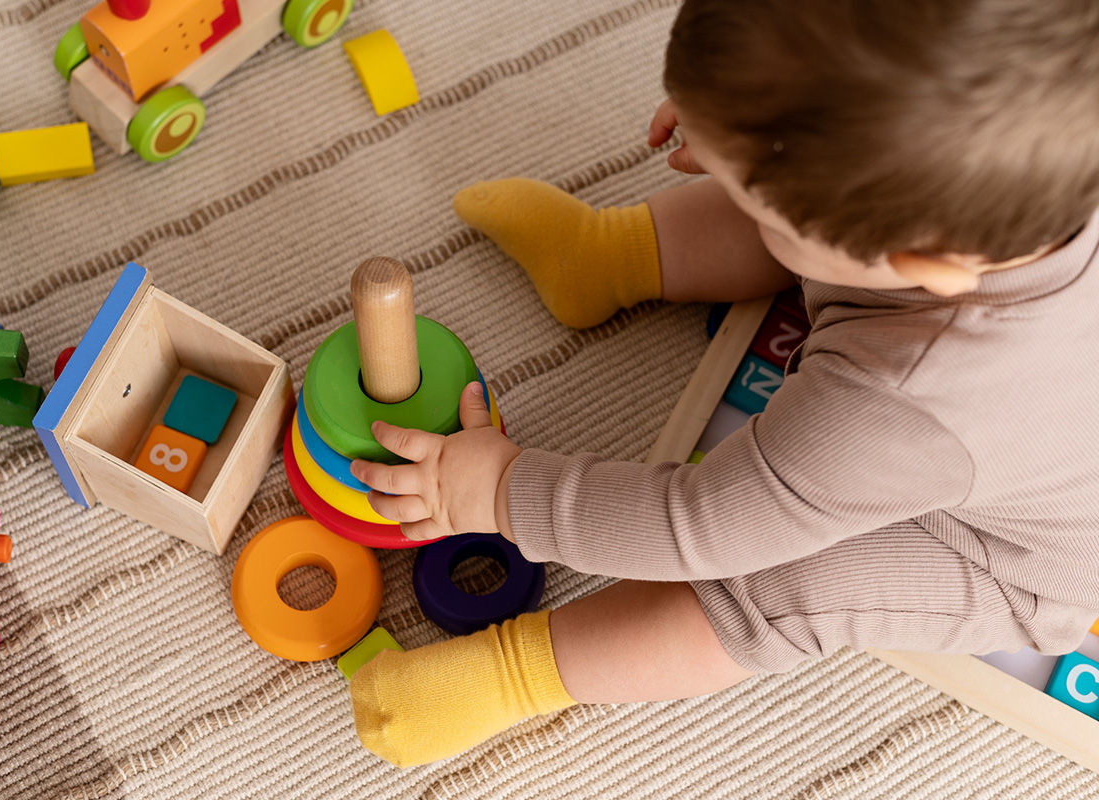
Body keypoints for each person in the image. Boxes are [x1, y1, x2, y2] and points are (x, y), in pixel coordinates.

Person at [344, 0, 1099, 768]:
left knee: (783, 583)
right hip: (985, 362)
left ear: (924, 268)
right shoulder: (1017, 164)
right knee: (793, 199)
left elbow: (697, 525)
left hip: (1003, 555)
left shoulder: (896, 403)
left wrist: (503, 492)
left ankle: (517, 674)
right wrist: (733, 111)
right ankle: (605, 257)